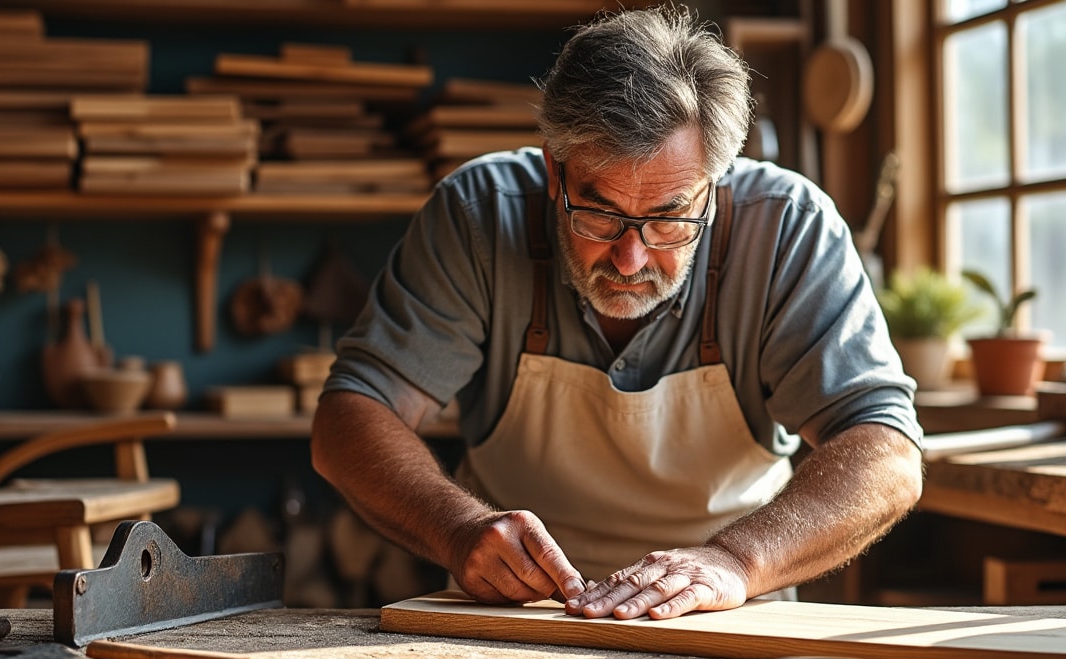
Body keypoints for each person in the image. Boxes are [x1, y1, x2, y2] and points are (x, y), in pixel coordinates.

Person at [312, 5, 923, 621]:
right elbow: (350, 416)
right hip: (519, 616)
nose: (631, 260)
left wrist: (737, 560)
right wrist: (457, 529)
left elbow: (887, 452)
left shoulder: (788, 230)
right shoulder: (480, 215)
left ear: (714, 185)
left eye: (668, 218)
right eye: (600, 214)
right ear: (555, 171)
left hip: (725, 614)